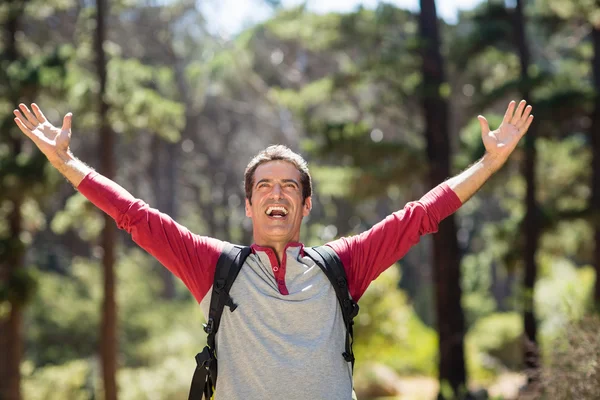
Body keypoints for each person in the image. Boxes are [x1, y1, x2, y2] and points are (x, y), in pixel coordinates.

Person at [13, 100, 533, 400]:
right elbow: (137, 217)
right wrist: (67, 164)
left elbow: (421, 216)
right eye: (264, 186)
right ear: (248, 205)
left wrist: (487, 166)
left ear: (306, 207)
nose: (277, 194)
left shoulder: (342, 265)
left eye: (289, 187)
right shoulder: (215, 267)